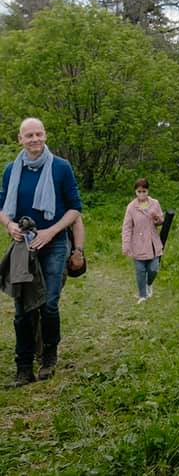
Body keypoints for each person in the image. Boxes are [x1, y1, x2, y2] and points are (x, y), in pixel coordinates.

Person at [0, 117, 82, 386]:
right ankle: (24, 368)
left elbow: (75, 208)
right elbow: (2, 207)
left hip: (54, 243)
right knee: (22, 307)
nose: (35, 139)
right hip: (23, 245)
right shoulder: (11, 170)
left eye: (39, 134)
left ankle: (48, 357)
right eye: (29, 135)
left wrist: (51, 231)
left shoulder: (61, 167)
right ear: (20, 139)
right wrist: (10, 225)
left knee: (49, 303)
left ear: (45, 135)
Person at [121, 177, 164, 304]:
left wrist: (156, 218)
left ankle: (148, 284)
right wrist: (126, 245)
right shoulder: (131, 207)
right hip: (138, 244)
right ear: (135, 192)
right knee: (140, 271)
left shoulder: (155, 203)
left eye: (144, 191)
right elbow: (127, 227)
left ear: (147, 191)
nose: (141, 194)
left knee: (154, 269)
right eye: (139, 191)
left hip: (153, 242)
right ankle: (142, 296)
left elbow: (161, 220)